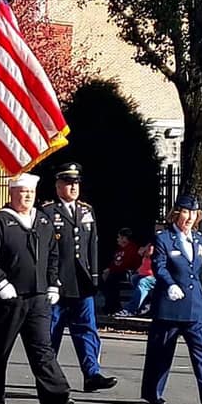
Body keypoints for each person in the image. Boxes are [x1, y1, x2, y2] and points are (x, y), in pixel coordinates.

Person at [0, 173, 75, 404]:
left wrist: (53, 283)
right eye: (22, 191)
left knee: (43, 350)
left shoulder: (42, 221)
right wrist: (0, 282)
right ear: (12, 193)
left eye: (30, 192)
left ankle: (56, 399)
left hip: (39, 297)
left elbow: (53, 255)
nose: (27, 196)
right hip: (9, 299)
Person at [140, 196, 202, 404]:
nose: (189, 218)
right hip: (169, 304)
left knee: (201, 349)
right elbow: (159, 266)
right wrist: (170, 284)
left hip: (193, 303)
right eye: (186, 213)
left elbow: (193, 270)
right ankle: (153, 392)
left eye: (194, 213)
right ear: (177, 213)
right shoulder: (164, 238)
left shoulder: (198, 239)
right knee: (160, 351)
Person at [42, 162, 118, 392]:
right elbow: (45, 251)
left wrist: (94, 276)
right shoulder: (47, 212)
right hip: (59, 283)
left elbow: (92, 245)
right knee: (51, 331)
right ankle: (48, 378)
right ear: (58, 185)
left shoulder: (86, 210)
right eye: (68, 183)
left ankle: (91, 373)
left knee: (87, 329)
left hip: (82, 282)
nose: (73, 187)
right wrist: (49, 281)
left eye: (76, 183)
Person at [102, 228, 142, 315]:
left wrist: (111, 270)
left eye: (119, 237)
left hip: (129, 273)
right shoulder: (119, 249)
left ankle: (112, 307)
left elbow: (126, 264)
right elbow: (114, 262)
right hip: (117, 272)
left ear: (125, 238)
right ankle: (111, 305)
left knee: (112, 279)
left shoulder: (132, 249)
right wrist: (108, 270)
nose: (117, 239)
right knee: (108, 280)